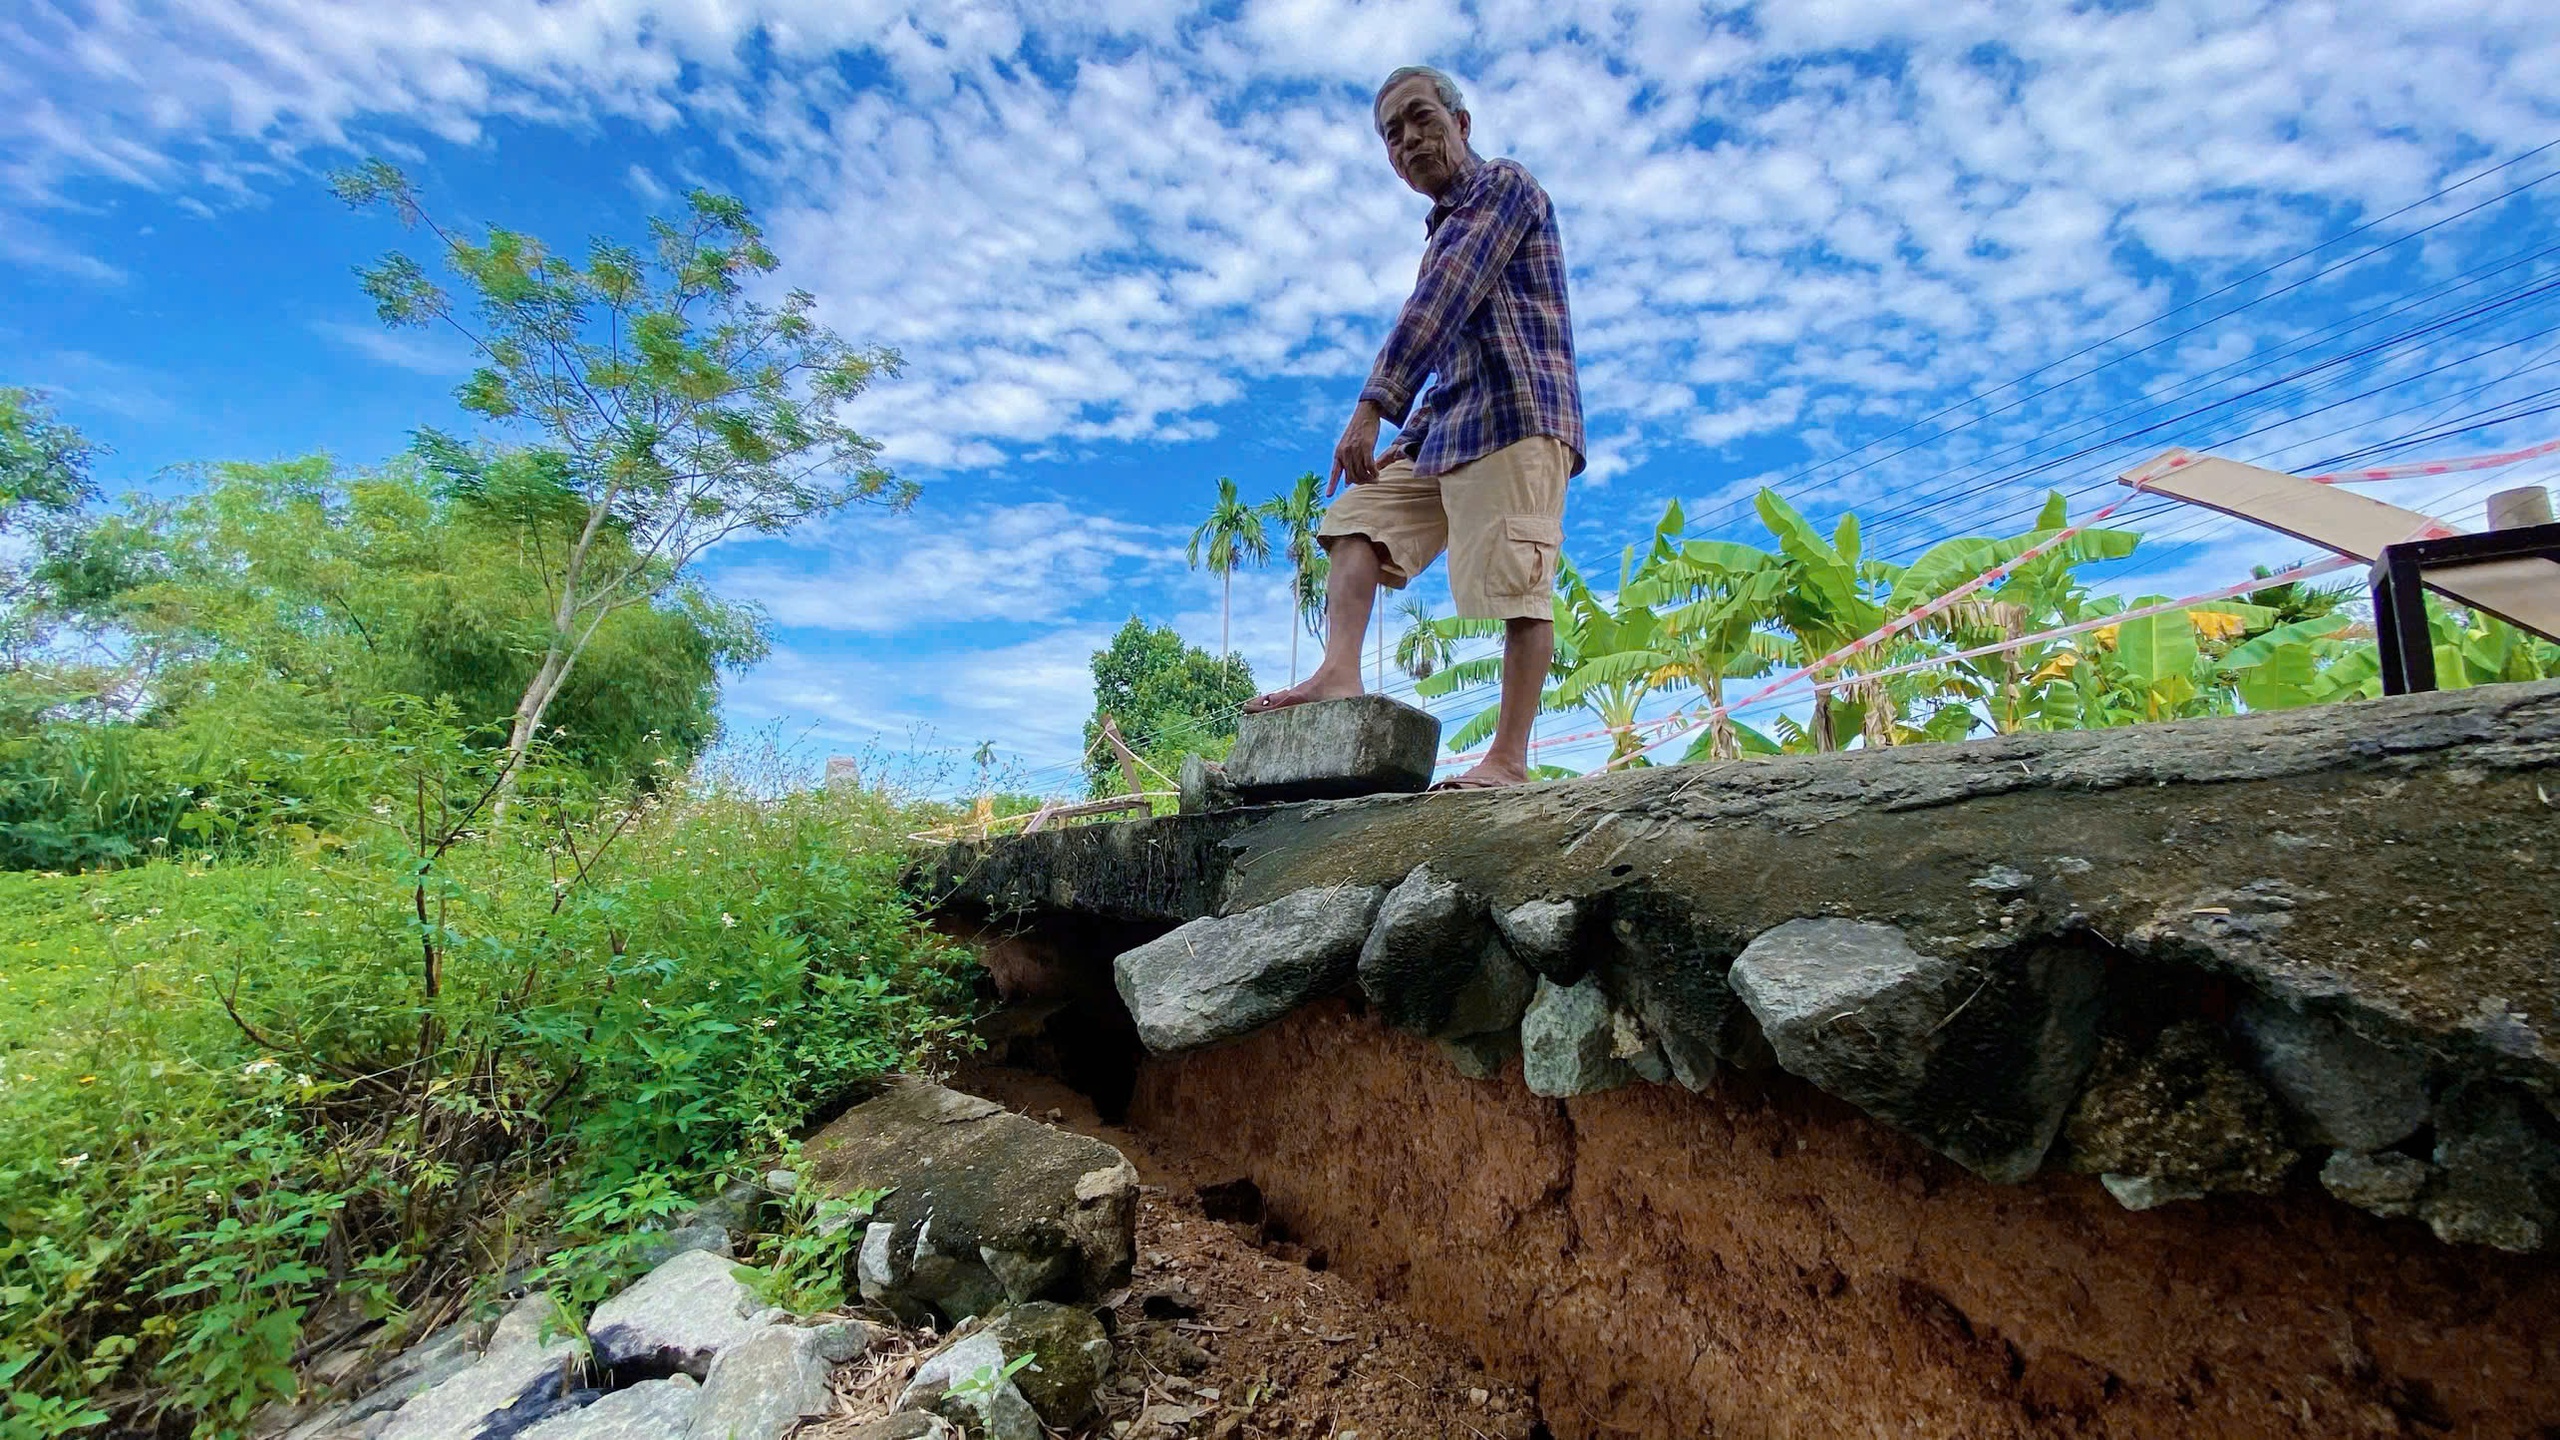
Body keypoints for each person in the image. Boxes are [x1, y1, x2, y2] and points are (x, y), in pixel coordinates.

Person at [1245, 64, 1584, 790]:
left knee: (1517, 586)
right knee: (1354, 517)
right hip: (1449, 425)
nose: (1408, 141)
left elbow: (1444, 299)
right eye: (1391, 135)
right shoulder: (1440, 232)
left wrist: (1372, 406)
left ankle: (1507, 760)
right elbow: (1457, 346)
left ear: (1461, 124)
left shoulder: (1503, 189)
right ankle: (1339, 673)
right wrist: (1407, 433)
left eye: (1421, 118)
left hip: (1517, 419)